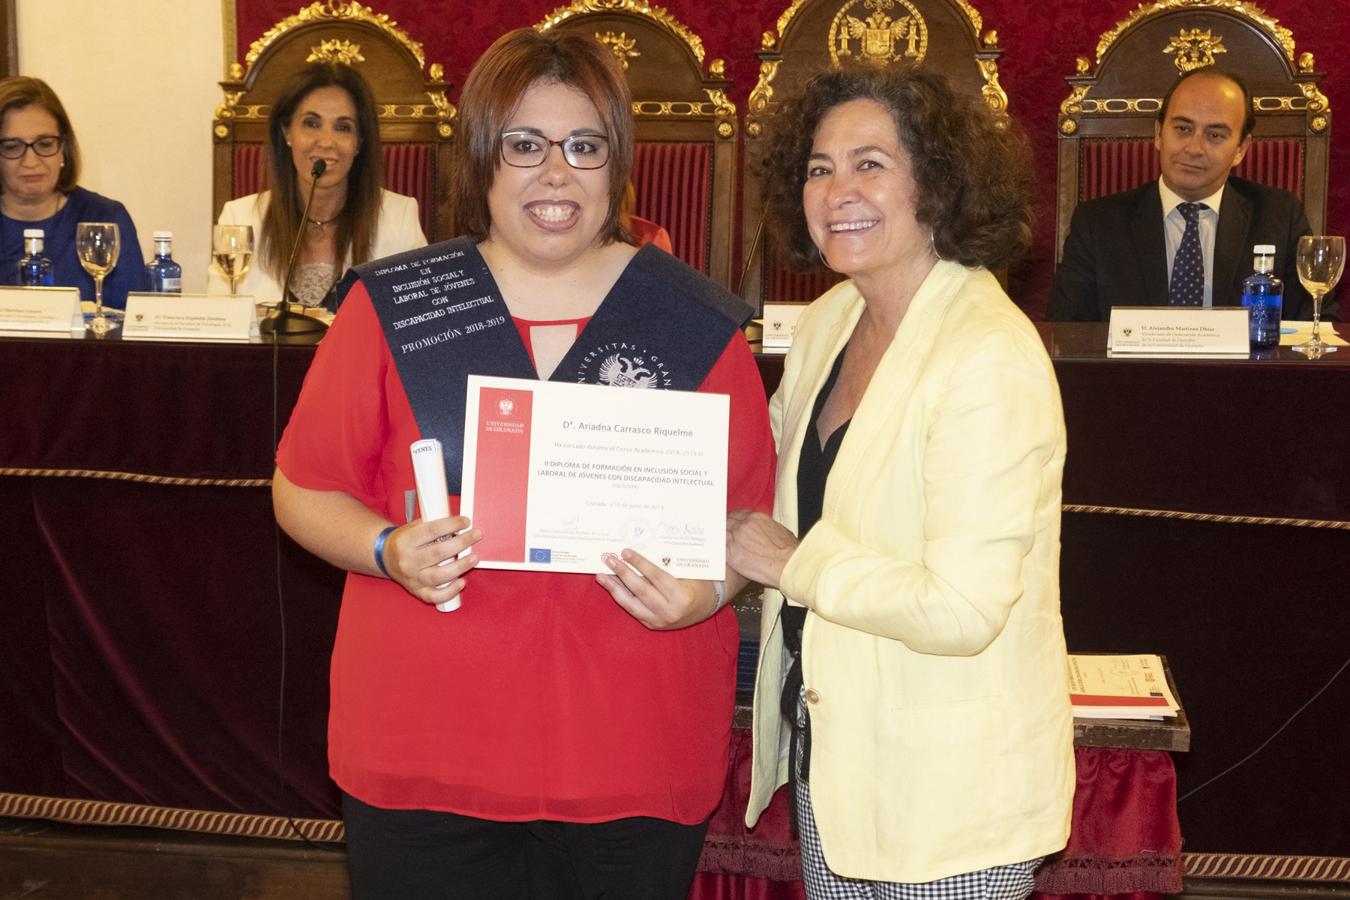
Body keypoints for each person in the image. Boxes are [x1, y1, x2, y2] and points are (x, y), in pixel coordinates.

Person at [271, 28, 774, 898]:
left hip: (630, 755)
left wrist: (709, 591)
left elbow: (743, 524)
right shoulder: (398, 307)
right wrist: (388, 549)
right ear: (481, 160)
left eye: (585, 146)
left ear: (617, 165)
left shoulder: (691, 321)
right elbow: (304, 487)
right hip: (423, 749)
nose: (555, 173)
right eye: (524, 144)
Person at [728, 67, 1074, 898]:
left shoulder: (987, 351)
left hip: (952, 800)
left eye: (871, 163)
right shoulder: (827, 323)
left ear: (940, 185)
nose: (838, 190)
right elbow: (754, 483)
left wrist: (791, 563)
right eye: (819, 167)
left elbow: (961, 607)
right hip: (839, 767)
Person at [1049, 68, 1336, 322]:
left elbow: (1316, 325)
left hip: (1246, 382)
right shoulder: (1097, 224)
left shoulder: (1280, 218)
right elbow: (1066, 333)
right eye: (1183, 129)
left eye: (1215, 135)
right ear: (1159, 133)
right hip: (1130, 381)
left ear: (1241, 149)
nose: (1194, 148)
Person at [209, 63, 426, 305]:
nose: (325, 142)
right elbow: (222, 326)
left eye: (343, 128)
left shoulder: (399, 218)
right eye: (311, 123)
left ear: (359, 143)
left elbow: (418, 324)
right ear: (287, 132)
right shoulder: (240, 219)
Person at [0, 76, 145, 308]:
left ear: (64, 149)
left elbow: (134, 322)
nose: (30, 161)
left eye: (45, 144)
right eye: (11, 147)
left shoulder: (104, 217)